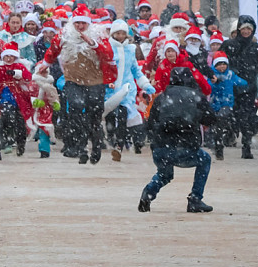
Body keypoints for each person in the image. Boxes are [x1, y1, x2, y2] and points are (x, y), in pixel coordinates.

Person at [44, 5, 116, 164]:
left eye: (83, 23)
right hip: (73, 79)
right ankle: (80, 146)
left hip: (95, 81)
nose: (80, 26)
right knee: (76, 106)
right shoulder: (65, 34)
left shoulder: (98, 35)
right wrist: (45, 63)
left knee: (94, 114)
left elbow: (109, 54)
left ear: (89, 23)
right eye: (77, 23)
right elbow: (53, 50)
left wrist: (93, 44)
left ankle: (96, 145)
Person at [139, 66, 217, 213]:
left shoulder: (161, 97)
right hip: (185, 148)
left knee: (165, 174)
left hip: (161, 149)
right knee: (205, 159)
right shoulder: (196, 96)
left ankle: (148, 193)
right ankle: (195, 199)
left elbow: (149, 124)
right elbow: (211, 119)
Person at [219, 15, 258, 159]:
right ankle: (228, 136)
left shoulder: (256, 48)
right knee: (230, 116)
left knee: (247, 118)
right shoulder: (229, 45)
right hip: (231, 88)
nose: (246, 31)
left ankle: (246, 146)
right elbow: (219, 63)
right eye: (243, 28)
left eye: (249, 28)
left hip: (249, 88)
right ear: (238, 30)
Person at [103, 20, 156, 161]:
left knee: (122, 113)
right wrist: (105, 83)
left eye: (123, 33)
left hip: (127, 89)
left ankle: (119, 145)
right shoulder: (107, 48)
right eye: (118, 33)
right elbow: (102, 68)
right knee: (109, 116)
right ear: (113, 33)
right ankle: (110, 136)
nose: (120, 36)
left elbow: (136, 71)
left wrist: (145, 84)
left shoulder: (131, 49)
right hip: (110, 89)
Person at [0, 42, 35, 160]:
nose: (9, 58)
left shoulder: (20, 67)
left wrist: (17, 74)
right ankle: (4, 139)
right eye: (6, 56)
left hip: (18, 95)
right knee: (3, 115)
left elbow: (28, 77)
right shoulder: (0, 69)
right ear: (3, 57)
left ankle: (20, 142)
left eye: (11, 56)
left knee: (20, 123)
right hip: (4, 94)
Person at [209, 51, 248, 160]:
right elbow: (208, 86)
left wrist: (241, 86)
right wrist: (215, 82)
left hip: (227, 103)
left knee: (221, 120)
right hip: (214, 104)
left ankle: (223, 139)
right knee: (216, 127)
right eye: (219, 64)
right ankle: (218, 146)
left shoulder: (231, 75)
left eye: (223, 64)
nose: (222, 66)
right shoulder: (211, 75)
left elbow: (243, 83)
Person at [30, 61, 61, 158]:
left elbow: (53, 95)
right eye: (41, 72)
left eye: (45, 72)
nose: (43, 74)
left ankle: (44, 149)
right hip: (35, 110)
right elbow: (29, 94)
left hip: (46, 109)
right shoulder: (33, 83)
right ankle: (42, 146)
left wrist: (55, 103)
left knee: (45, 127)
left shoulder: (50, 84)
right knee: (36, 128)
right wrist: (35, 102)